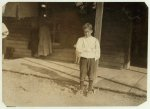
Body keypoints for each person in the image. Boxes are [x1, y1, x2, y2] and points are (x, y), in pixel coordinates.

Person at [76, 23, 100, 95]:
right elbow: (78, 49)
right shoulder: (80, 39)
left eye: (88, 32)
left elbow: (98, 51)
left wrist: (94, 57)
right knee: (82, 73)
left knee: (91, 73)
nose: (86, 33)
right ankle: (81, 88)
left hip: (92, 59)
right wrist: (87, 50)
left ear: (91, 31)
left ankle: (90, 89)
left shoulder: (95, 40)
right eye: (85, 32)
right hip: (83, 58)